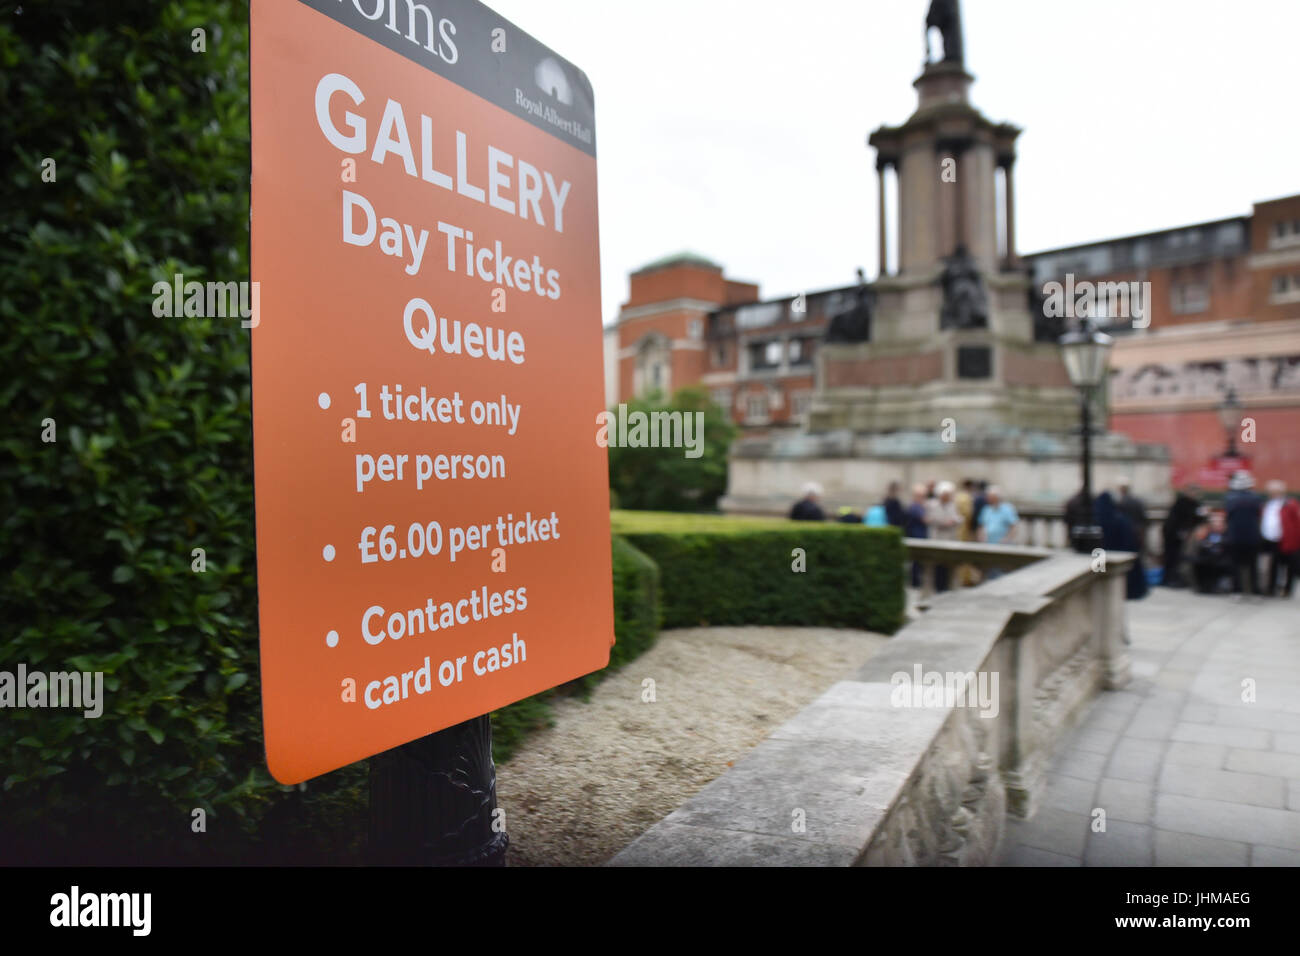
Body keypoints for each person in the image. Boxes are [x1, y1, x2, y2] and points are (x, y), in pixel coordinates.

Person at [1095, 490, 1148, 600]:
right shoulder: (1121, 519)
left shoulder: (1096, 521)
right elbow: (1129, 540)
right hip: (1121, 554)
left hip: (1102, 556)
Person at [1223, 471, 1263, 597]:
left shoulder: (1230, 498)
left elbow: (1228, 515)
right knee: (1253, 566)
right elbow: (1258, 514)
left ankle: (1237, 590)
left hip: (1235, 537)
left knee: (1235, 565)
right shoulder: (1256, 498)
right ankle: (1255, 591)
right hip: (1252, 537)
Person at [1261, 480, 1300, 597]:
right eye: (1271, 492)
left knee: (1289, 566)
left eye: (1275, 492)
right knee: (1273, 565)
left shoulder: (1291, 504)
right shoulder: (1268, 504)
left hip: (1288, 540)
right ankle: (1271, 589)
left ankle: (1286, 590)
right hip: (1271, 539)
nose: (1272, 494)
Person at [925, 480, 962, 592]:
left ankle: (948, 588)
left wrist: (954, 521)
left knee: (948, 568)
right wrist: (940, 522)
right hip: (936, 538)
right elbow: (928, 519)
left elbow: (958, 518)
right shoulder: (932, 505)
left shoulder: (952, 505)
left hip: (949, 539)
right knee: (936, 568)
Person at [1161, 491, 1202, 589]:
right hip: (1173, 535)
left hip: (1172, 535)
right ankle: (1171, 579)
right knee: (1173, 558)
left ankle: (1170, 579)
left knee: (1173, 558)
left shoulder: (1185, 504)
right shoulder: (1185, 504)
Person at [1191, 511, 1233, 594]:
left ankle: (1213, 586)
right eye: (1214, 522)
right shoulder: (1207, 533)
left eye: (1219, 522)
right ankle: (1202, 586)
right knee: (1199, 563)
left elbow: (1227, 546)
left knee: (1215, 564)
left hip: (1221, 558)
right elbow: (1201, 544)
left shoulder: (1227, 533)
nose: (1216, 524)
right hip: (1208, 557)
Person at [904, 483, 929, 587]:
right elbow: (925, 519)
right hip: (916, 536)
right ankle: (915, 582)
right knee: (916, 561)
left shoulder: (918, 506)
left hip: (919, 535)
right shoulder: (915, 507)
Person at [1116, 478, 1149, 559]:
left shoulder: (1121, 502)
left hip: (1129, 531)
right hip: (1138, 530)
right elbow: (1143, 517)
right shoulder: (1137, 501)